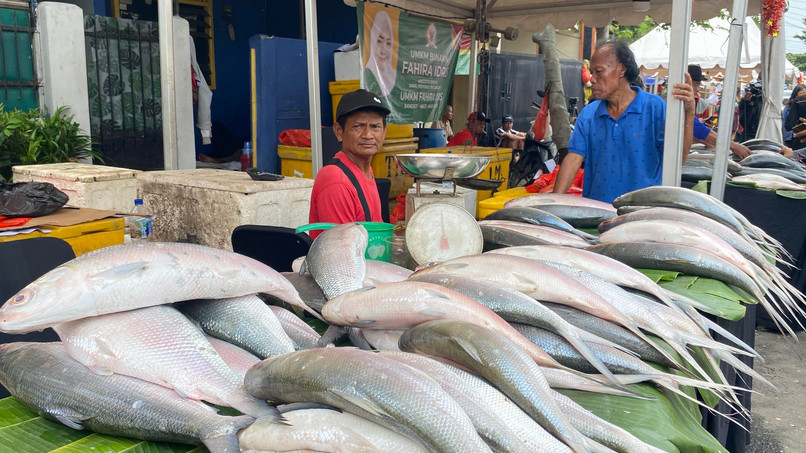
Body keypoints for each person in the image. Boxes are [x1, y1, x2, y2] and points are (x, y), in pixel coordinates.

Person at [552, 40, 696, 203]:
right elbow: (573, 158)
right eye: (592, 72)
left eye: (598, 71)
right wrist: (553, 201)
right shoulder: (589, 114)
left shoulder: (654, 108)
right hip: (598, 214)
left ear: (621, 69)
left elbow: (678, 160)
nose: (592, 79)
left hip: (644, 213)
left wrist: (690, 112)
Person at [308, 89, 390, 238]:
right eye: (357, 126)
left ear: (384, 132)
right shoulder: (336, 179)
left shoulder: (366, 170)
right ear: (339, 132)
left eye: (375, 126)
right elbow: (342, 252)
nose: (368, 135)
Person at [364, 10, 396, 99]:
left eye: (388, 43)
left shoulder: (395, 76)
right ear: (372, 42)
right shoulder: (368, 75)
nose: (383, 51)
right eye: (379, 41)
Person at [784, 84, 806, 153]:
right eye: (802, 94)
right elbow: (788, 125)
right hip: (793, 138)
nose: (804, 97)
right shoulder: (790, 107)